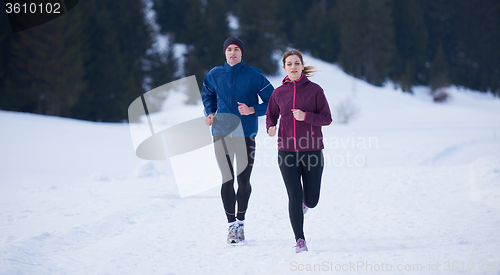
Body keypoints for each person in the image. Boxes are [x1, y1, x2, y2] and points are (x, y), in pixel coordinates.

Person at [202, 36, 274, 244]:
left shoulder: (254, 75)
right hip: (221, 133)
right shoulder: (214, 75)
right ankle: (231, 225)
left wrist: (253, 109)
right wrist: (210, 112)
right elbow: (208, 96)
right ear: (224, 53)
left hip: (245, 134)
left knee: (243, 181)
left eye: (236, 49)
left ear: (242, 53)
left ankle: (241, 223)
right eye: (229, 49)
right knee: (227, 179)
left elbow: (273, 101)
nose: (232, 53)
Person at [266, 49, 332, 253]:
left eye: (296, 63)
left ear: (302, 66)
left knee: (311, 200)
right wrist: (270, 127)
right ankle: (300, 239)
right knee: (294, 195)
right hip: (286, 151)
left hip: (312, 151)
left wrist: (306, 117)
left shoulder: (315, 90)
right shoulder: (278, 93)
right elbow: (271, 115)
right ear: (284, 68)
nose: (293, 67)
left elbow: (327, 118)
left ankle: (305, 205)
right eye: (289, 64)